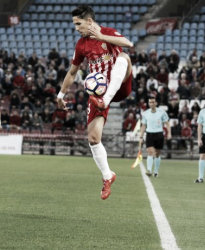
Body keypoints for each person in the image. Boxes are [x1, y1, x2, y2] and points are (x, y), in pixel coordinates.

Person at [57, 5, 133, 200]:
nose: (76, 28)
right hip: (98, 92)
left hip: (120, 85)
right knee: (93, 138)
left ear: (89, 21)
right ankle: (108, 176)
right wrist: (60, 95)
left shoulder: (107, 32)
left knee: (124, 56)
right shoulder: (81, 44)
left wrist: (101, 37)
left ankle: (105, 100)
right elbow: (72, 72)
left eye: (78, 24)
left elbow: (128, 43)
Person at [139, 97, 171, 177]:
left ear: (156, 103)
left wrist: (169, 133)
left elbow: (167, 123)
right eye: (150, 102)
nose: (151, 104)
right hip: (149, 134)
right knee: (150, 152)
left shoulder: (162, 112)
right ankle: (149, 170)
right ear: (148, 103)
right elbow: (143, 125)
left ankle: (156, 171)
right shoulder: (145, 113)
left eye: (153, 102)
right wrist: (141, 136)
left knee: (157, 154)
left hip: (159, 134)